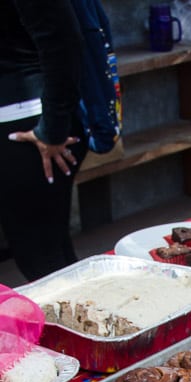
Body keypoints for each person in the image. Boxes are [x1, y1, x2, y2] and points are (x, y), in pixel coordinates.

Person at [0, 0, 89, 282]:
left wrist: (52, 129)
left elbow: (63, 41)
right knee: (48, 261)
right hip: (25, 118)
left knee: (47, 265)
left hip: (30, 124)